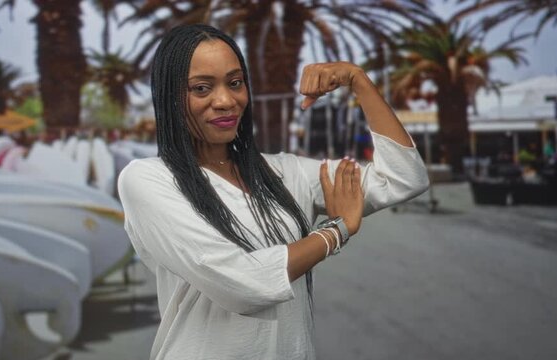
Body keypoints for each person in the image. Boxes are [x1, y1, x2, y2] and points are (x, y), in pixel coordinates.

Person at [117, 24, 429, 360]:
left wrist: (359, 82)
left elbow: (404, 178)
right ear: (168, 96)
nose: (225, 101)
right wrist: (337, 230)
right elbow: (244, 283)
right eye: (202, 88)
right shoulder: (149, 180)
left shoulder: (286, 172)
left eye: (235, 83)